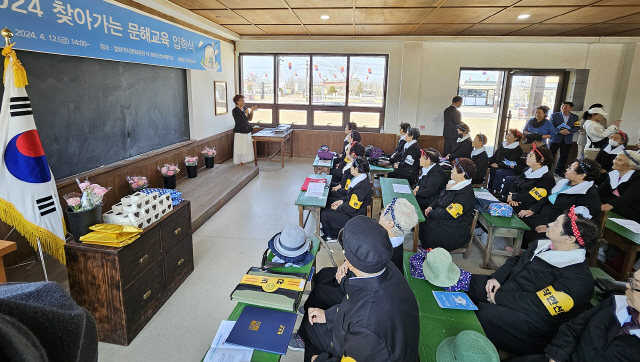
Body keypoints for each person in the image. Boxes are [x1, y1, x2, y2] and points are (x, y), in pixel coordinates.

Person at [468, 207, 597, 356]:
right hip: (509, 290)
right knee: (470, 283)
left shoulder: (579, 279)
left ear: (570, 238)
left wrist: (499, 297)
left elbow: (540, 304)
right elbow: (517, 259)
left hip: (533, 322)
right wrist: (497, 277)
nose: (549, 224)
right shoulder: (543, 244)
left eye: (556, 224)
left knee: (484, 314)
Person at [294, 216, 420, 362]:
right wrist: (329, 316)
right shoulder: (384, 266)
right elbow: (357, 304)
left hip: (366, 348)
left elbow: (362, 325)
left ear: (351, 265)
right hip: (376, 339)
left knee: (311, 336)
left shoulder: (368, 328)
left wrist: (318, 360)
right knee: (312, 325)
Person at [508, 268, 640, 362]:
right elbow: (574, 328)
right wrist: (557, 356)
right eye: (632, 279)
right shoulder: (615, 303)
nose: (628, 285)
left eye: (636, 285)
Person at [518, 157, 601, 248]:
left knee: (534, 229)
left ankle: (527, 252)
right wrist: (532, 210)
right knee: (522, 216)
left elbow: (575, 221)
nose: (567, 170)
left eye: (570, 169)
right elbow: (547, 198)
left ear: (582, 175)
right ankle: (520, 248)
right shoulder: (564, 183)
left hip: (560, 226)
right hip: (544, 215)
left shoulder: (588, 195)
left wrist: (549, 226)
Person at [419, 158, 476, 251]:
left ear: (462, 174)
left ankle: (430, 248)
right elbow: (439, 197)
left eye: (454, 169)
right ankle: (426, 245)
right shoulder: (453, 184)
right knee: (420, 216)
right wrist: (431, 207)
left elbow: (449, 214)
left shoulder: (465, 194)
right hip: (441, 216)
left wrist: (430, 213)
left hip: (452, 227)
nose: (451, 171)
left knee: (425, 222)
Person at [320, 157, 372, 242]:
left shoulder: (361, 187)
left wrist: (338, 207)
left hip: (355, 217)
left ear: (357, 169)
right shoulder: (359, 179)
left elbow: (352, 208)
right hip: (350, 208)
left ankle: (333, 235)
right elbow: (349, 196)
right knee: (326, 202)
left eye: (352, 166)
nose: (350, 167)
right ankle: (328, 228)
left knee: (323, 213)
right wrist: (341, 201)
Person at [504, 145, 555, 214]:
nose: (527, 157)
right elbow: (515, 184)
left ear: (541, 160)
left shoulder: (546, 178)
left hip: (528, 206)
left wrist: (514, 197)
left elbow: (532, 197)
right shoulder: (527, 170)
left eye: (530, 156)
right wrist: (511, 197)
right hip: (515, 200)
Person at [379, 198, 419, 274]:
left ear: (390, 223)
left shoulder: (381, 252)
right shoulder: (398, 239)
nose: (381, 213)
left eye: (383, 211)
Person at [599, 150, 640, 223]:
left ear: (630, 166)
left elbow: (629, 196)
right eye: (616, 159)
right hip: (614, 204)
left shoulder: (637, 177)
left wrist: (610, 205)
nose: (615, 161)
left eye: (620, 160)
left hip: (630, 208)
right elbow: (601, 191)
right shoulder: (614, 174)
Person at [550, 102, 580, 177]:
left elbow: (577, 127)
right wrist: (559, 131)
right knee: (550, 155)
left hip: (567, 139)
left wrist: (569, 131)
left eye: (566, 106)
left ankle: (559, 171)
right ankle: (548, 170)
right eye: (562, 106)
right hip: (555, 138)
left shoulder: (575, 117)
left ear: (571, 108)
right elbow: (551, 125)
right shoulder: (554, 115)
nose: (564, 107)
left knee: (564, 156)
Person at [232, 94, 257, 166]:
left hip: (246, 130)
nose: (243, 101)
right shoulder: (235, 110)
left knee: (245, 146)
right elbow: (239, 121)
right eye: (241, 100)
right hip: (239, 131)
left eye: (243, 100)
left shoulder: (245, 109)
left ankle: (244, 161)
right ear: (237, 102)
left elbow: (249, 119)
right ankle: (239, 162)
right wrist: (245, 114)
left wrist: (251, 111)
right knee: (240, 146)